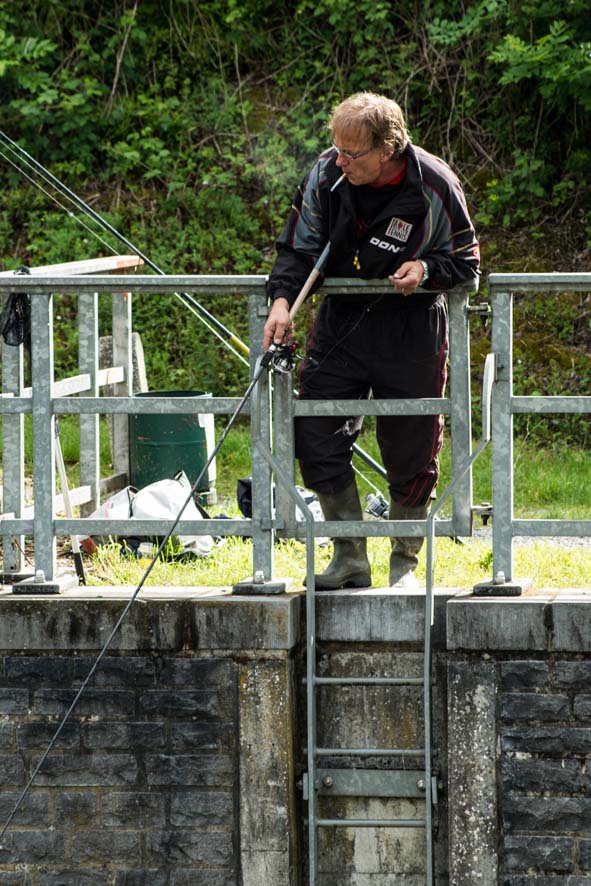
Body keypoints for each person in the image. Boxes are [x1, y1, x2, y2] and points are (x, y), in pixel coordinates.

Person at [264, 92, 479, 590]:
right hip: (341, 322)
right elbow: (297, 250)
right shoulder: (325, 175)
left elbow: (467, 263)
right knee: (315, 431)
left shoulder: (436, 186)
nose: (338, 160)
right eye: (336, 148)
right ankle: (349, 557)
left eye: (351, 153)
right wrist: (281, 301)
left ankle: (404, 565)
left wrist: (426, 269)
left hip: (412, 326)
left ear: (387, 149)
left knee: (411, 448)